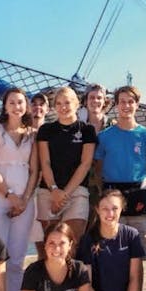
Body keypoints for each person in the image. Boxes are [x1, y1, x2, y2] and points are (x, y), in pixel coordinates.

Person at [0, 88, 39, 291]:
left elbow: (35, 170)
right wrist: (10, 196)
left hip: (25, 201)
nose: (17, 106)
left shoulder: (33, 134)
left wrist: (24, 199)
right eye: (12, 102)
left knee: (16, 260)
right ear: (5, 106)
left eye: (21, 102)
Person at [76, 189, 144, 291]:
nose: (110, 213)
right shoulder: (87, 240)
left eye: (115, 208)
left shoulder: (131, 235)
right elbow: (87, 285)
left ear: (122, 209)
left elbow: (136, 278)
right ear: (97, 210)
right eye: (105, 209)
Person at [93, 85, 146, 244]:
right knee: (113, 247)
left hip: (139, 197)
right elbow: (98, 169)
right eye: (122, 102)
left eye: (130, 101)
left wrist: (143, 192)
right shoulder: (104, 136)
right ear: (116, 105)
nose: (126, 106)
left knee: (141, 249)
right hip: (112, 196)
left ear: (137, 104)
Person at [36, 86, 97, 240]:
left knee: (73, 244)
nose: (63, 107)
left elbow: (85, 164)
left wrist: (64, 195)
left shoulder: (87, 130)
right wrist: (55, 190)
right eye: (59, 103)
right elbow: (45, 162)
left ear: (76, 104)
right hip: (49, 191)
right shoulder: (46, 130)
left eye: (67, 103)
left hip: (76, 192)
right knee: (48, 246)